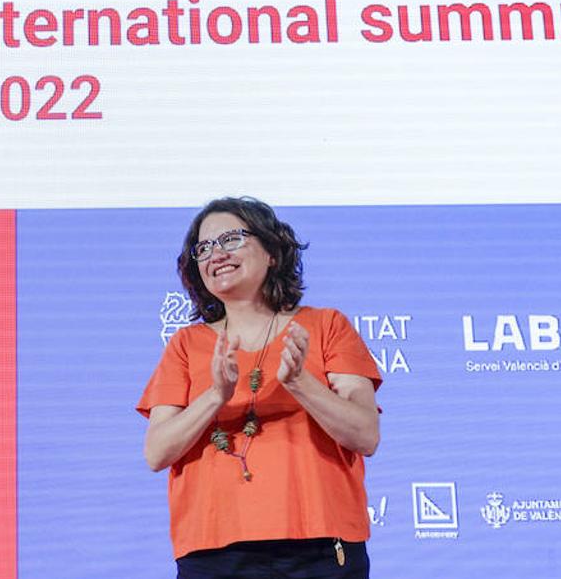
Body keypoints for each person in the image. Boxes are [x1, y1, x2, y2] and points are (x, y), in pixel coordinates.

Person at [138, 197, 381, 579]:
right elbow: (156, 452)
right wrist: (216, 395)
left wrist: (300, 383)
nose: (216, 254)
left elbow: (365, 434)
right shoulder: (185, 345)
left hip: (319, 547)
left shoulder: (326, 326)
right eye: (204, 248)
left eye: (231, 239)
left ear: (271, 251)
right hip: (215, 551)